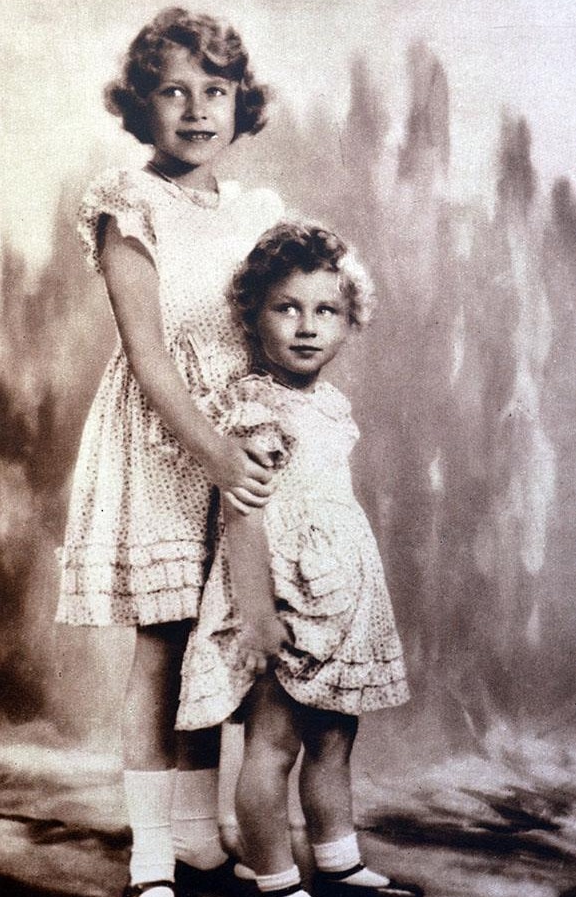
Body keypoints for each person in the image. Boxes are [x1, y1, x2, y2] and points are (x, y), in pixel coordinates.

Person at [55, 9, 285, 897]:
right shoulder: (128, 203)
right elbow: (149, 356)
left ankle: (199, 837)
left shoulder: (256, 211)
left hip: (240, 431)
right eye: (172, 92)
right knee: (164, 639)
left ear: (239, 103)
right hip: (164, 438)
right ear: (139, 107)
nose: (196, 111)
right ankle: (151, 850)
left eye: (214, 92)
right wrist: (215, 450)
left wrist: (263, 438)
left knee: (218, 640)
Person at [177, 222, 422, 897]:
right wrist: (257, 615)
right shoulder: (256, 408)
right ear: (254, 315)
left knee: (334, 740)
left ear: (348, 322)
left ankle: (338, 862)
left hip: (339, 599)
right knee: (273, 746)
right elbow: (243, 512)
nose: (307, 326)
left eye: (326, 311)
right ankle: (276, 878)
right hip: (284, 601)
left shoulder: (329, 404)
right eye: (286, 307)